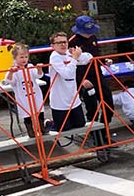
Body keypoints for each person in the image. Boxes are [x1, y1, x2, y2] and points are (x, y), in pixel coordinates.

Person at [69, 15, 114, 143]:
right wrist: (81, 80)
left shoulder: (93, 38)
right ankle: (95, 136)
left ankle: (104, 133)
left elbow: (96, 56)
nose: (89, 34)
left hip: (97, 74)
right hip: (84, 77)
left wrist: (104, 61)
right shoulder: (72, 42)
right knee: (92, 108)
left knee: (108, 103)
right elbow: (72, 63)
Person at [48, 31, 92, 132]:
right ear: (52, 46)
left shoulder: (68, 53)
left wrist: (77, 54)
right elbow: (67, 73)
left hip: (72, 98)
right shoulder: (54, 57)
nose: (63, 45)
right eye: (59, 43)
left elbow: (89, 58)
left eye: (65, 42)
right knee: (64, 128)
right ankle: (49, 123)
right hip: (59, 100)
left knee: (80, 123)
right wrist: (75, 59)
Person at [3, 43, 46, 138]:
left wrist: (39, 69)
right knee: (27, 113)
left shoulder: (30, 66)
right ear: (15, 58)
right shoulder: (14, 70)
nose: (24, 59)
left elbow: (39, 76)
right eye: (21, 57)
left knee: (39, 109)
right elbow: (8, 81)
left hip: (35, 93)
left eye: (26, 57)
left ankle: (41, 127)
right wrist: (11, 72)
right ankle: (30, 130)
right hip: (23, 96)